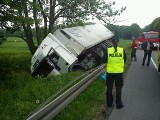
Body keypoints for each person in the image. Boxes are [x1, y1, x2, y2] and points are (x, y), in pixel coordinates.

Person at [102, 37, 126, 109]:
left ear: (111, 42)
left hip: (110, 73)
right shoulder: (122, 50)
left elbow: (104, 61)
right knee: (118, 88)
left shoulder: (108, 50)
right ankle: (118, 104)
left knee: (109, 88)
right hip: (119, 73)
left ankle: (109, 104)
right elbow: (124, 60)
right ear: (118, 42)